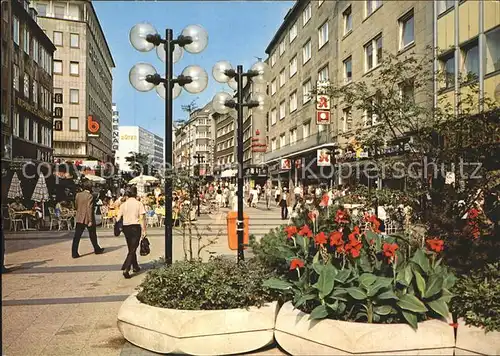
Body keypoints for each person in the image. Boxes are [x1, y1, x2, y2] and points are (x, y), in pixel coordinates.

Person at [116, 186, 146, 279]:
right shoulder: (139, 204)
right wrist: (144, 229)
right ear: (135, 194)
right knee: (133, 248)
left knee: (131, 247)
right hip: (135, 226)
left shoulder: (123, 205)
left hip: (126, 227)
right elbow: (141, 218)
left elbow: (118, 218)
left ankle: (135, 266)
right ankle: (127, 267)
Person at [71, 181, 104, 258]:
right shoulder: (90, 196)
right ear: (90, 188)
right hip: (87, 218)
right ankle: (97, 249)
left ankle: (74, 252)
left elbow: (76, 205)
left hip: (79, 217)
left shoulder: (78, 195)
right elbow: (89, 209)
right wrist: (90, 220)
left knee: (77, 236)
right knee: (92, 235)